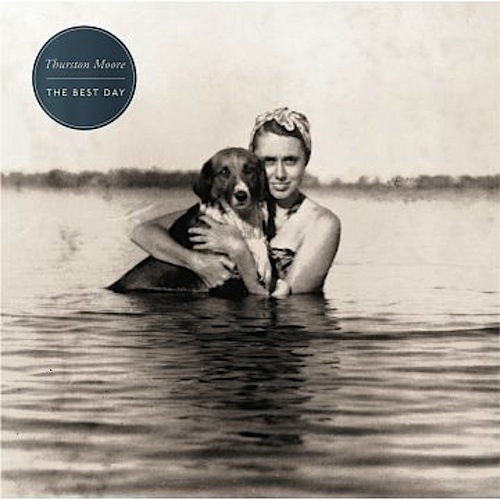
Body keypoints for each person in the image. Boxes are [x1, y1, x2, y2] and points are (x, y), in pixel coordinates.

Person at [131, 107, 341, 297]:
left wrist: (239, 249)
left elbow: (291, 303)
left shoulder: (322, 223)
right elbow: (142, 232)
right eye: (269, 161)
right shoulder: (234, 207)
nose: (280, 174)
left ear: (306, 160)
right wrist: (197, 262)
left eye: (290, 160)